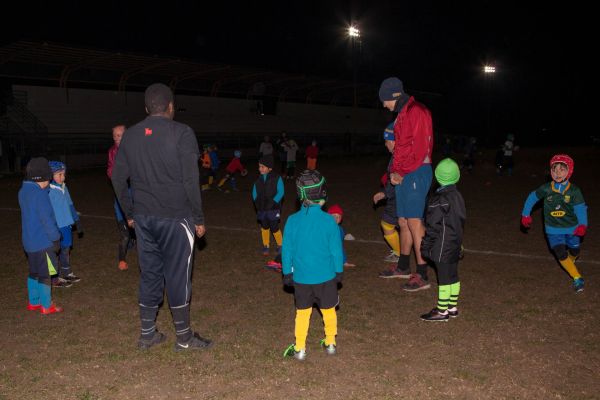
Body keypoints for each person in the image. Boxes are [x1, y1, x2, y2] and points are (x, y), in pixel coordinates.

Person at [111, 83, 212, 351]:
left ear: (146, 108)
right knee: (178, 276)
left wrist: (130, 213)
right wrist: (198, 218)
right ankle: (184, 338)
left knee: (150, 273)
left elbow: (118, 177)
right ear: (170, 106)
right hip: (176, 218)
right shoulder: (182, 133)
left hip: (144, 219)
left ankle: (147, 334)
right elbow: (192, 180)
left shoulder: (130, 136)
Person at [378, 77, 434, 292]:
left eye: (384, 100)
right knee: (403, 221)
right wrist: (395, 171)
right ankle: (403, 266)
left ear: (393, 96)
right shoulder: (403, 114)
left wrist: (400, 171)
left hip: (416, 172)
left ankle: (422, 273)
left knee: (413, 222)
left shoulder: (416, 111)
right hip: (405, 172)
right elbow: (401, 147)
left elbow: (419, 148)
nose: (383, 105)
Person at [282, 170, 344, 361]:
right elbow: (336, 250)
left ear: (300, 194)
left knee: (302, 313)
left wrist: (287, 273)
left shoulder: (292, 221)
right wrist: (338, 271)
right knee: (328, 310)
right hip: (326, 277)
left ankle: (300, 348)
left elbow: (287, 251)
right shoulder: (328, 221)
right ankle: (331, 342)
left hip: (301, 278)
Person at [521, 154, 588, 293]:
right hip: (553, 229)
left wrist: (582, 225)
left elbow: (581, 209)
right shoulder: (546, 188)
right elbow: (532, 197)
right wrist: (525, 214)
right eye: (554, 169)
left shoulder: (574, 191)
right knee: (560, 253)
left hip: (572, 228)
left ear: (568, 172)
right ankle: (577, 277)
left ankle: (571, 261)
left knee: (575, 250)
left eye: (561, 170)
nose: (557, 173)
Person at [420, 158, 466, 321]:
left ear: (438, 177)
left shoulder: (438, 200)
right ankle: (452, 307)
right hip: (454, 243)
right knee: (453, 275)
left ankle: (442, 311)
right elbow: (460, 222)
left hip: (442, 246)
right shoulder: (458, 196)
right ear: (457, 176)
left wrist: (426, 245)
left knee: (445, 278)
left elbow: (432, 226)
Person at [18, 157, 63, 314]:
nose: (49, 183)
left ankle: (34, 302)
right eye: (48, 180)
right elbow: (47, 219)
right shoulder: (40, 195)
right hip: (43, 242)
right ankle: (46, 305)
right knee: (45, 275)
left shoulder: (23, 191)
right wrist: (56, 238)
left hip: (29, 243)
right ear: (42, 178)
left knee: (34, 272)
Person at [48, 160, 83, 287]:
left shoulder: (64, 187)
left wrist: (76, 220)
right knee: (54, 251)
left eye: (64, 174)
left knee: (66, 248)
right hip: (56, 226)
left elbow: (70, 204)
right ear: (51, 175)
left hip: (66, 225)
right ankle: (54, 278)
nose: (63, 177)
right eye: (59, 175)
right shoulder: (48, 190)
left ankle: (66, 273)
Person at [374, 123, 402, 270]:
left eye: (386, 141)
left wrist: (386, 193)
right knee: (414, 227)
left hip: (399, 199)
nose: (385, 145)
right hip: (399, 197)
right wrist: (384, 193)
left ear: (392, 141)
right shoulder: (399, 155)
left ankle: (398, 253)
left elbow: (396, 179)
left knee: (388, 224)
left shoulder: (398, 157)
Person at [107, 124, 134, 271]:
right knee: (124, 233)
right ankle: (122, 260)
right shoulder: (112, 151)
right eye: (114, 136)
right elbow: (110, 170)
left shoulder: (134, 149)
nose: (116, 138)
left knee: (140, 228)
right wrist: (117, 177)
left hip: (136, 191)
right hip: (121, 193)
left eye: (120, 135)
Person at [252, 156, 284, 256]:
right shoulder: (259, 180)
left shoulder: (276, 178)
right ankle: (266, 245)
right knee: (264, 226)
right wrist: (256, 202)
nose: (260, 169)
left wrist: (274, 202)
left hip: (273, 208)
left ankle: (281, 245)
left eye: (262, 167)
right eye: (259, 167)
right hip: (262, 208)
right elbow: (254, 192)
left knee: (274, 227)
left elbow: (281, 191)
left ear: (269, 168)